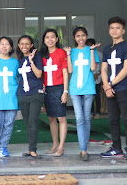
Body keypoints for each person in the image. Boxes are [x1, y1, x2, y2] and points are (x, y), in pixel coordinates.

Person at [101, 16, 127, 160]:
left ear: (123, 30)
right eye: (112, 28)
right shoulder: (107, 48)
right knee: (113, 119)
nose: (114, 30)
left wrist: (111, 84)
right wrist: (106, 86)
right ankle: (116, 148)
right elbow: (103, 69)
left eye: (118, 28)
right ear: (109, 31)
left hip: (124, 88)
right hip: (110, 89)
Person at [64, 27, 100, 161]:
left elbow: (92, 68)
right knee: (79, 118)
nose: (81, 38)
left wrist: (91, 51)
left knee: (86, 118)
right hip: (75, 88)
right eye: (78, 36)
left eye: (83, 35)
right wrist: (68, 54)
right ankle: (83, 149)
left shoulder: (92, 50)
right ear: (74, 38)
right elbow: (70, 70)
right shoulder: (72, 52)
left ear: (86, 36)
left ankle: (84, 147)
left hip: (89, 87)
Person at [40, 29, 68, 157]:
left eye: (52, 37)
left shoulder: (61, 52)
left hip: (59, 87)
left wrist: (65, 91)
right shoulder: (41, 55)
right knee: (51, 117)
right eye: (47, 37)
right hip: (47, 89)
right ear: (44, 40)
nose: (50, 40)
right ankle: (55, 144)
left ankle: (61, 146)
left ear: (57, 39)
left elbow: (65, 72)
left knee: (61, 117)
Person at [16, 35, 44, 159]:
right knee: (27, 123)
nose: (24, 46)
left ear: (32, 45)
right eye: (22, 44)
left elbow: (38, 74)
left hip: (35, 93)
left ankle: (33, 150)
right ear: (18, 45)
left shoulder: (36, 56)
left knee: (33, 121)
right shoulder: (19, 59)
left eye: (27, 44)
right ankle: (30, 149)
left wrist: (31, 60)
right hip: (22, 94)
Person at [86, 38, 103, 119]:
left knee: (97, 96)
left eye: (91, 45)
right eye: (88, 45)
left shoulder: (99, 54)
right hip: (89, 78)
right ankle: (91, 112)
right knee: (89, 96)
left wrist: (97, 73)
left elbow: (104, 66)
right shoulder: (86, 54)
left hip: (98, 78)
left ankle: (98, 113)